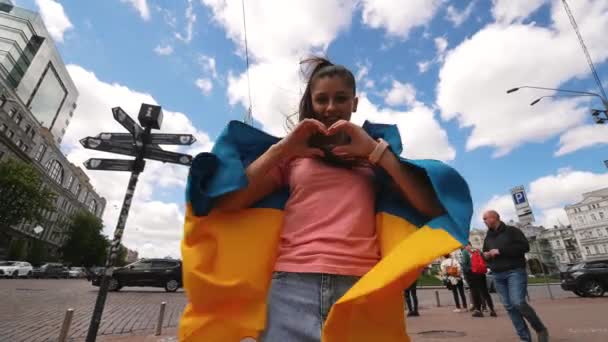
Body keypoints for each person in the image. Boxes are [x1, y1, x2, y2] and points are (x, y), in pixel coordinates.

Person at [178, 56, 473, 342]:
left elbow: (432, 209)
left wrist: (377, 153)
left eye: (341, 99)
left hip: (363, 289)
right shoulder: (292, 157)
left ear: (354, 103)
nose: (331, 107)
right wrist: (283, 149)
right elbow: (229, 204)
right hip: (290, 287)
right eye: (322, 100)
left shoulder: (374, 157)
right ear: (312, 102)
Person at [482, 210, 549, 342]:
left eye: (485, 218)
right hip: (497, 274)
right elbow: (485, 253)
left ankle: (540, 328)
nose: (484, 221)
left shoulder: (512, 231)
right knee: (509, 306)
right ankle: (525, 338)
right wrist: (485, 255)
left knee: (518, 302)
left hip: (515, 271)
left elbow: (524, 247)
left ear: (494, 218)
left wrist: (500, 251)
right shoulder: (488, 237)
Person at [462, 242, 496, 317]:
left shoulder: (465, 252)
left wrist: (467, 272)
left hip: (472, 275)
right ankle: (492, 310)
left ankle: (478, 310)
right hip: (481, 274)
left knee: (475, 292)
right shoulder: (477, 250)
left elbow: (464, 265)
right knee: (485, 292)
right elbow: (484, 261)